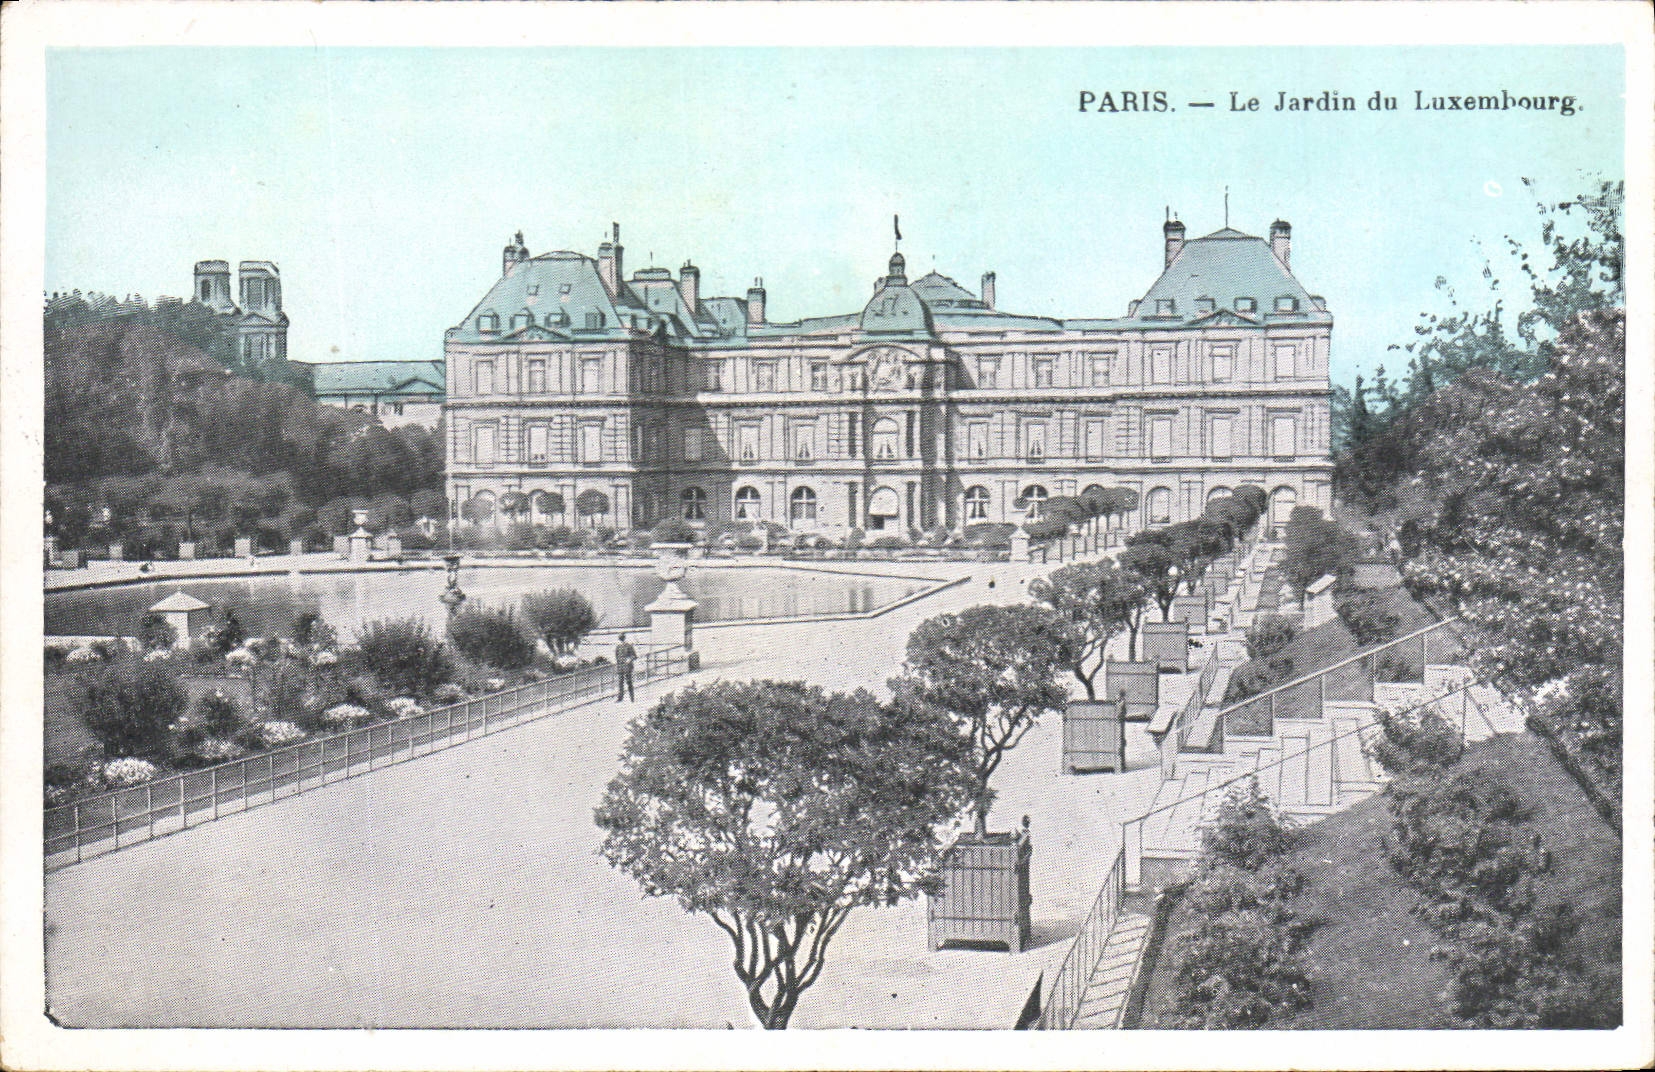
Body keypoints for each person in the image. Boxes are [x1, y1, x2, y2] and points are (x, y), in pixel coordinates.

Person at [614, 633, 637, 702]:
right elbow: (617, 657)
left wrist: (629, 659)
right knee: (620, 683)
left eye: (622, 638)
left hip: (627, 667)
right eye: (620, 638)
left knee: (629, 682)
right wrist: (617, 666)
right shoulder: (618, 647)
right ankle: (620, 698)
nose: (621, 640)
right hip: (620, 667)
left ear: (624, 638)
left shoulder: (629, 646)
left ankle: (632, 698)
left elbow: (634, 656)